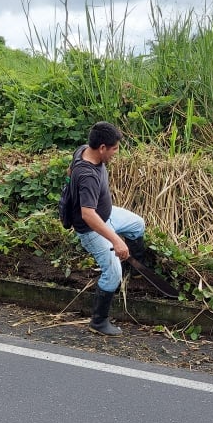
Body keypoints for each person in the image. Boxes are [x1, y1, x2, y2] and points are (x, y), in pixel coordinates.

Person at [69, 121, 147, 336]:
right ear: (102, 148)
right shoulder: (88, 175)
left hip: (107, 215)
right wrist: (116, 240)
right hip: (92, 229)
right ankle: (99, 322)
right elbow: (88, 215)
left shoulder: (83, 150)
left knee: (138, 225)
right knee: (113, 274)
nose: (116, 153)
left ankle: (134, 269)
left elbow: (69, 171)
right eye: (114, 149)